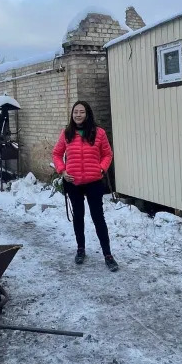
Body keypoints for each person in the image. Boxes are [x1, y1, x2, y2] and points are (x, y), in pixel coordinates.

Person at [52, 100, 119, 272]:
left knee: (98, 218)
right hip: (73, 183)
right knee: (78, 217)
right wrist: (62, 170)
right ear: (72, 114)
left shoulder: (99, 133)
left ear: (87, 114)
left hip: (94, 182)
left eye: (81, 112)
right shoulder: (66, 133)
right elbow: (57, 154)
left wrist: (102, 168)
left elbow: (107, 154)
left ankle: (108, 254)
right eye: (75, 112)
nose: (78, 115)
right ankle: (80, 249)